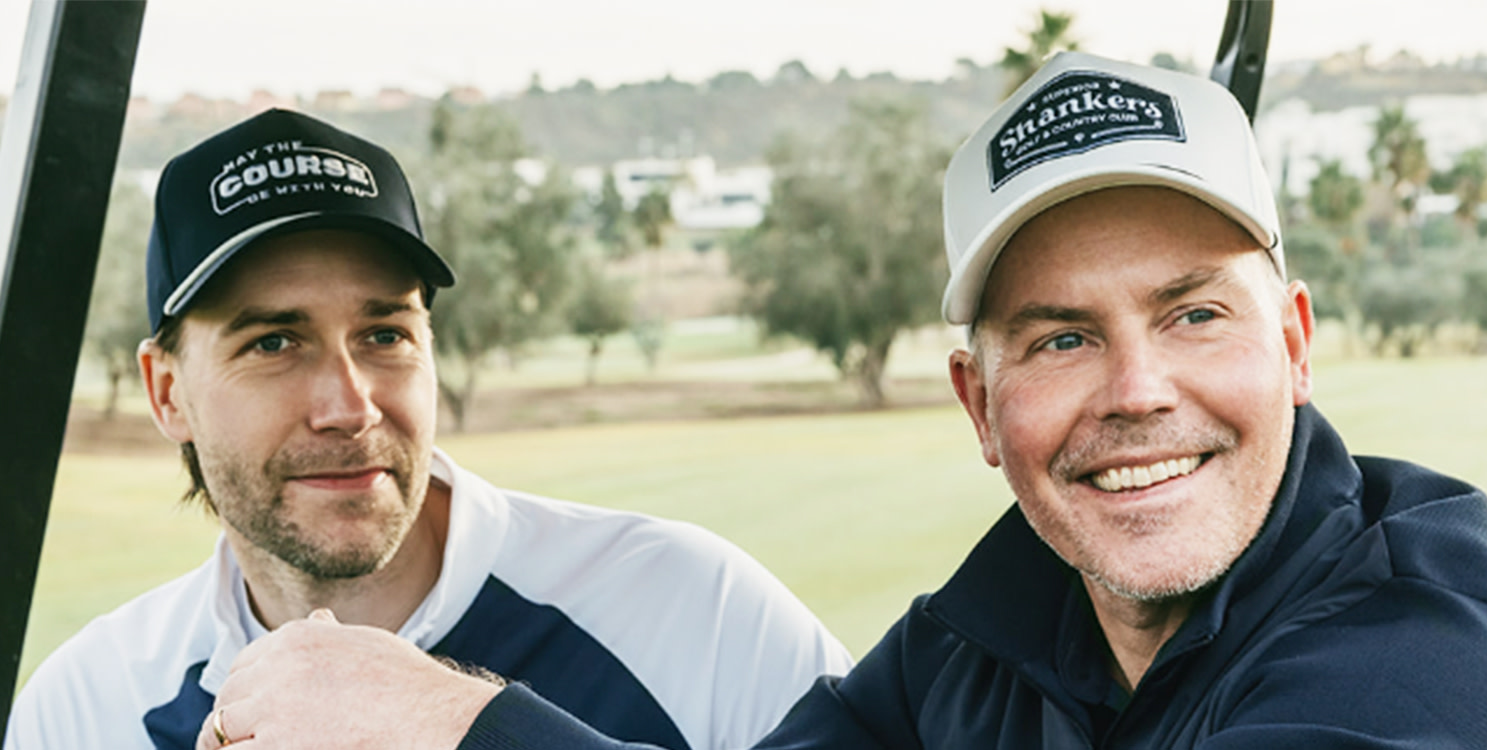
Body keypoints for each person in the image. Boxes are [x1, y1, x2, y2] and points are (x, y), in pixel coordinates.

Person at [184, 52, 1487, 750]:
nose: (1138, 391)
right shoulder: (980, 645)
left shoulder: (1423, 644)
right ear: (978, 405)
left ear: (1296, 344)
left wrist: (455, 726)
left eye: (1194, 314)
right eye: (1059, 338)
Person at [2, 108, 852, 750]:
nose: (350, 406)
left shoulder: (693, 613)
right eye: (274, 343)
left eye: (385, 335)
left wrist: (472, 730)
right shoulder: (87, 708)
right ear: (166, 392)